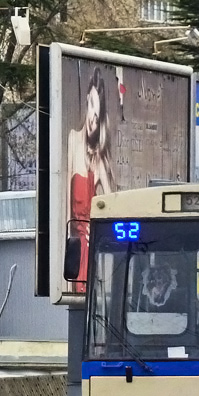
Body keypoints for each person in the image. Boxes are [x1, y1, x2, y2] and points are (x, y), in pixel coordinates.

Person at [64, 66, 115, 285]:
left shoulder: (100, 161)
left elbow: (114, 205)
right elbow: (67, 200)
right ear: (87, 100)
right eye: (92, 105)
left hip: (90, 243)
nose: (94, 116)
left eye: (99, 111)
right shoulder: (73, 140)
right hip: (73, 248)